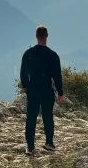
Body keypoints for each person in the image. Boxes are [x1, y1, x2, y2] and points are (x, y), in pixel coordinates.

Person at [20, 25, 66, 155]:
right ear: (47, 36)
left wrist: (25, 85)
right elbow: (57, 75)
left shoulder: (28, 53)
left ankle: (30, 147)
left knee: (31, 117)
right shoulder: (53, 55)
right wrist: (60, 93)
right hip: (46, 88)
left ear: (36, 35)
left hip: (33, 89)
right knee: (47, 116)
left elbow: (23, 71)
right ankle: (49, 143)